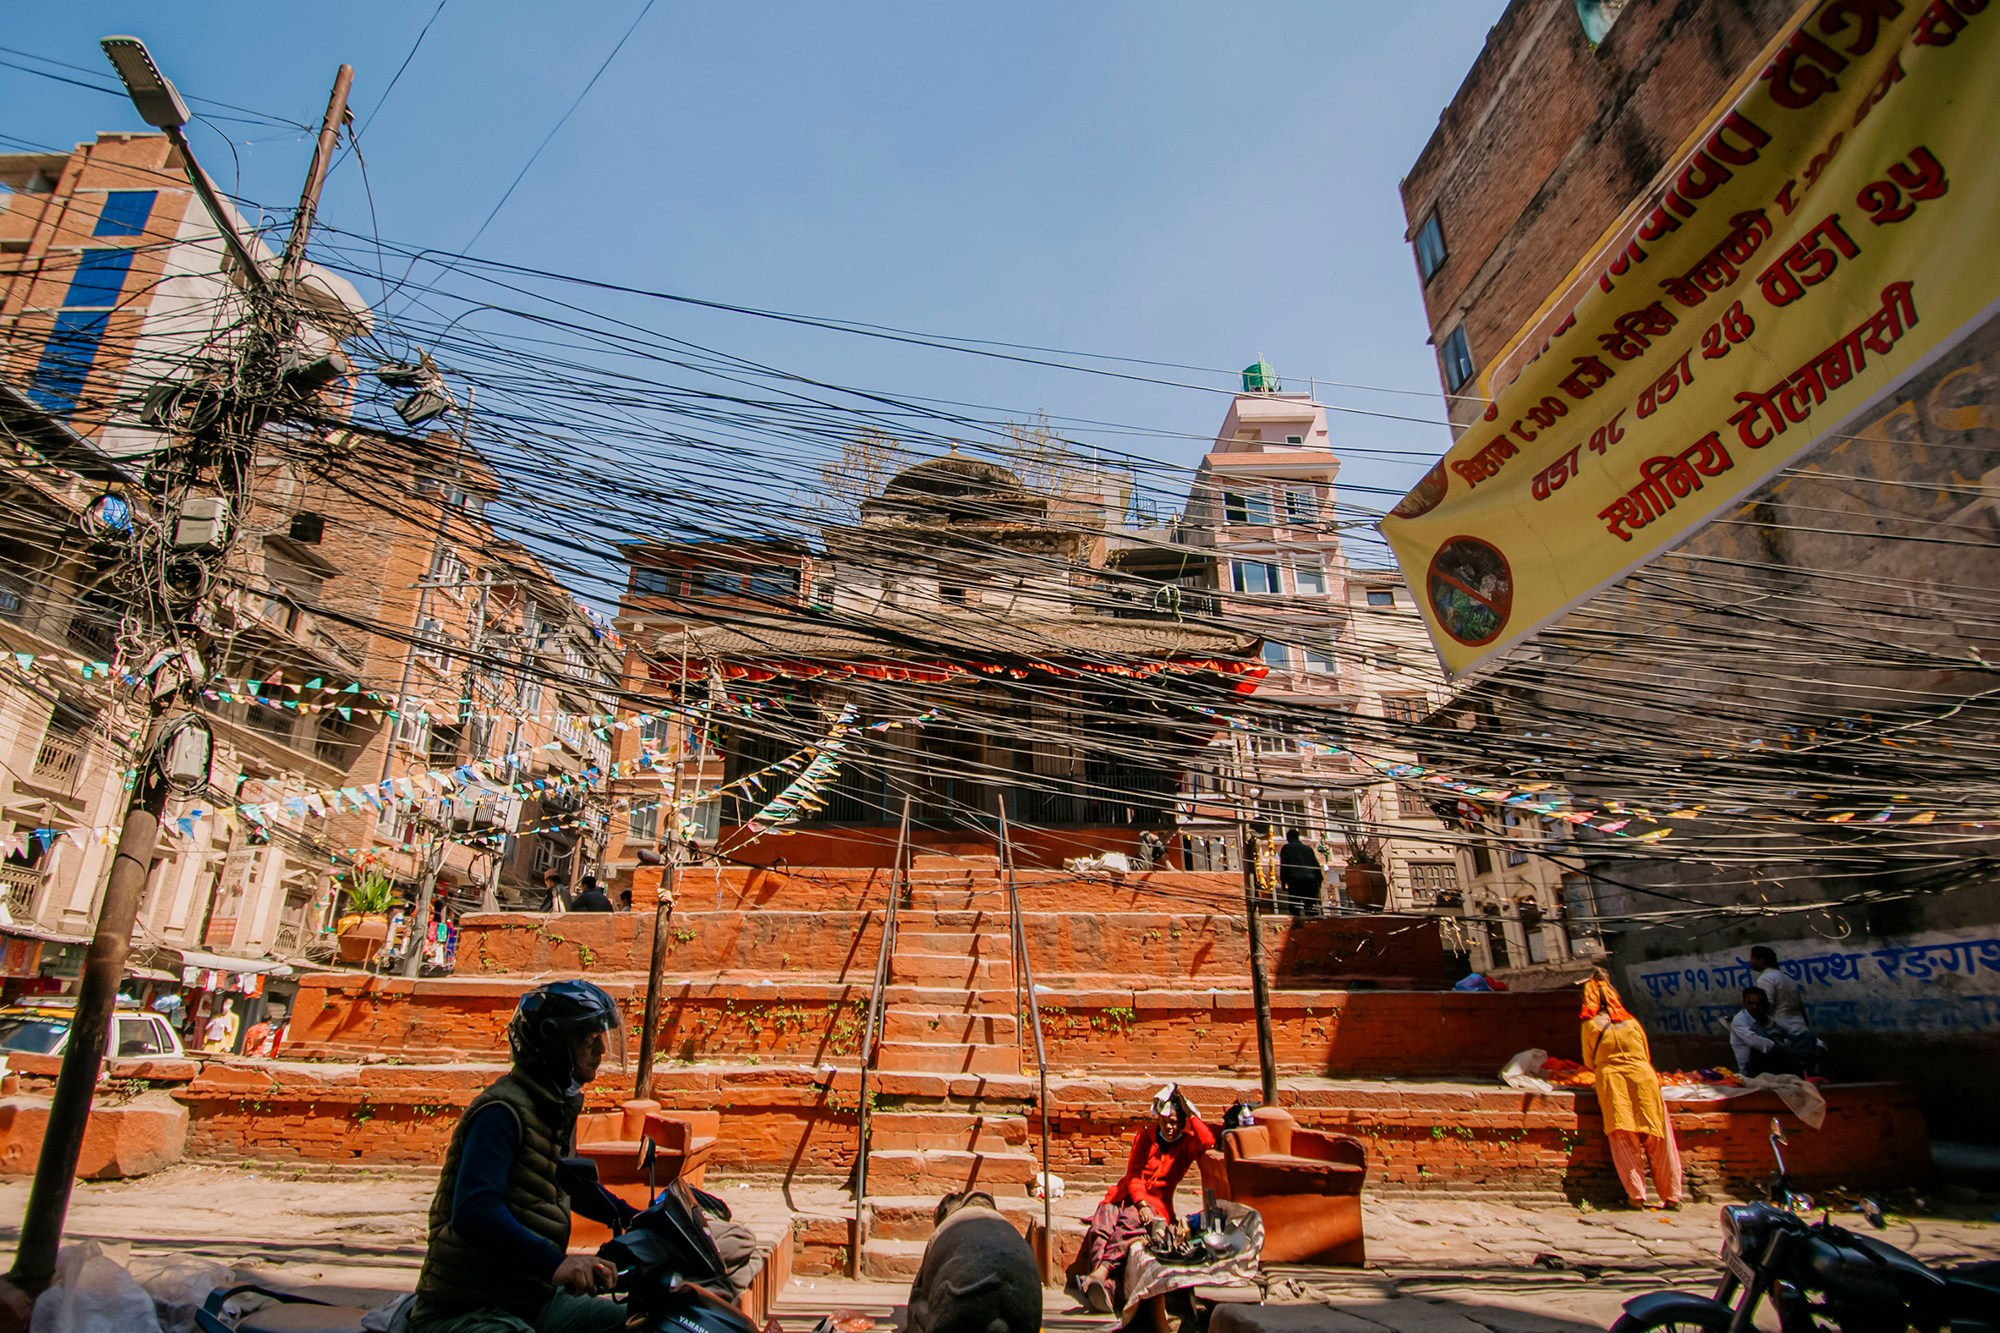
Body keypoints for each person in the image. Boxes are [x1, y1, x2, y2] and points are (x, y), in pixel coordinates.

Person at [410, 980, 636, 1333]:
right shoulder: (502, 1112)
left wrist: (640, 1218)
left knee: (642, 1323)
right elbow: (475, 1209)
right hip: (470, 1306)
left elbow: (569, 1182)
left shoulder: (553, 1107)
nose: (601, 1050)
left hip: (533, 1298)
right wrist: (555, 1264)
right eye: (589, 1039)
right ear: (555, 1042)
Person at [1065, 1084, 1217, 1320]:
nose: (1170, 1127)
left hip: (1158, 1204)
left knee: (1127, 1225)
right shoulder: (1145, 1137)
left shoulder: (1186, 1144)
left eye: (1176, 1121)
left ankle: (1102, 1274)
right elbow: (1134, 1175)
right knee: (1101, 1225)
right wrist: (1141, 1203)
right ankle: (1103, 1286)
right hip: (1125, 1194)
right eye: (1166, 1121)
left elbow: (1208, 1141)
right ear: (1158, 1120)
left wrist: (1193, 1115)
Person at [1580, 968, 1683, 1210]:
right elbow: (1645, 1053)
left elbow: (1588, 1061)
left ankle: (1636, 1195)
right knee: (1659, 1136)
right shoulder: (1632, 1022)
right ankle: (1673, 1195)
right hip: (1644, 1078)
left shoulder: (1590, 1026)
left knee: (1623, 1136)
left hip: (1612, 1081)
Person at [1749, 947, 1822, 1067]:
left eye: (1752, 958)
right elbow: (1800, 1008)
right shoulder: (1788, 978)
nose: (1750, 961)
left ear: (1760, 960)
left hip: (1783, 1034)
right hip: (1800, 1030)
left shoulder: (1765, 978)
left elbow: (1765, 1005)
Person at [1730, 987, 1811, 1077]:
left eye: (1759, 1004)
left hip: (1777, 1062)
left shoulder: (1770, 1020)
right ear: (1744, 1005)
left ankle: (1802, 1071)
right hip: (1753, 1070)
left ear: (1766, 1005)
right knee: (1759, 1050)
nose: (1754, 1007)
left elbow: (1794, 1032)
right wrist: (1789, 1052)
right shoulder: (1740, 1021)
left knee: (1807, 1039)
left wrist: (1810, 1043)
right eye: (1750, 1003)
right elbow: (1757, 1043)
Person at [1277, 830, 1324, 918]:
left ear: (1288, 838)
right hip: (1310, 881)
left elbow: (1284, 866)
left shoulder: (1287, 848)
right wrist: (1319, 881)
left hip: (1295, 882)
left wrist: (1283, 882)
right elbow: (1316, 865)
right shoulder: (1308, 849)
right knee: (1311, 908)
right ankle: (1312, 925)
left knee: (1295, 908)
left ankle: (1297, 926)